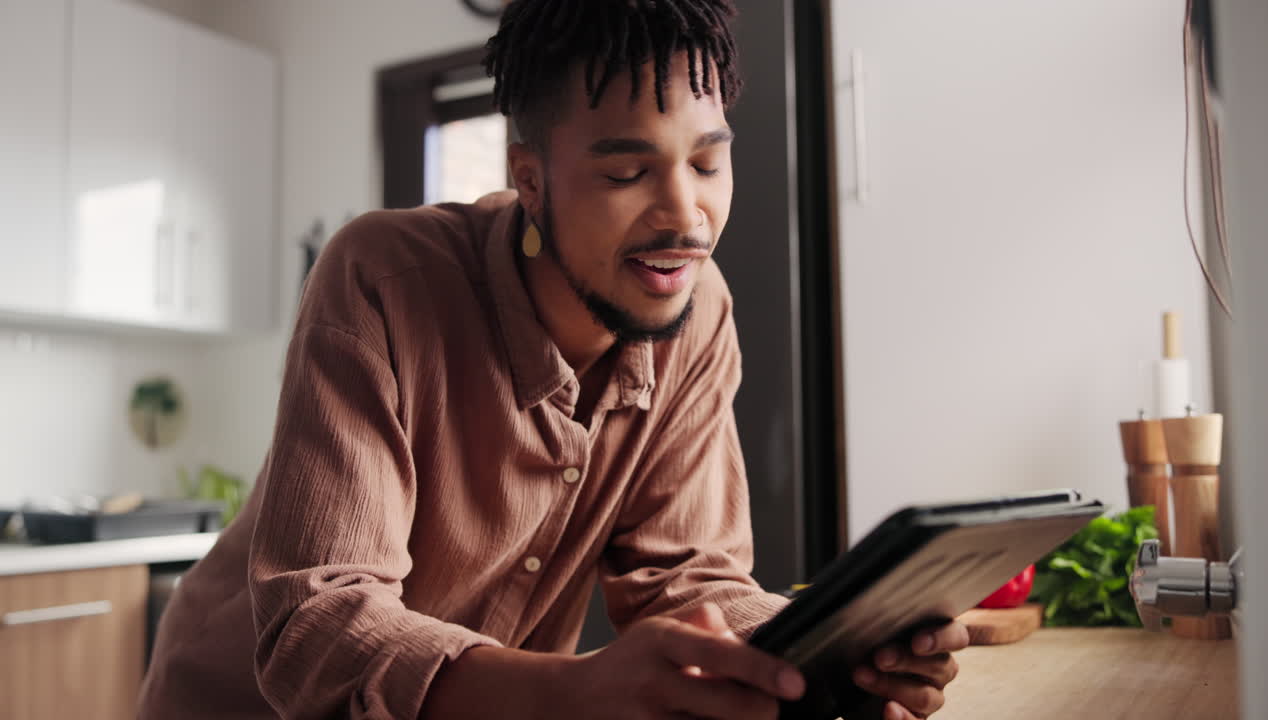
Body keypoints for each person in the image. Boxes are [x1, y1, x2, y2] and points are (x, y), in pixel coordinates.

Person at [139, 1, 967, 718]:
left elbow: (687, 580)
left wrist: (832, 653)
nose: (688, 215)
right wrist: (572, 694)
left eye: (709, 162)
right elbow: (320, 624)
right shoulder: (380, 279)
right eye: (628, 171)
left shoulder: (698, 308)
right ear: (530, 181)